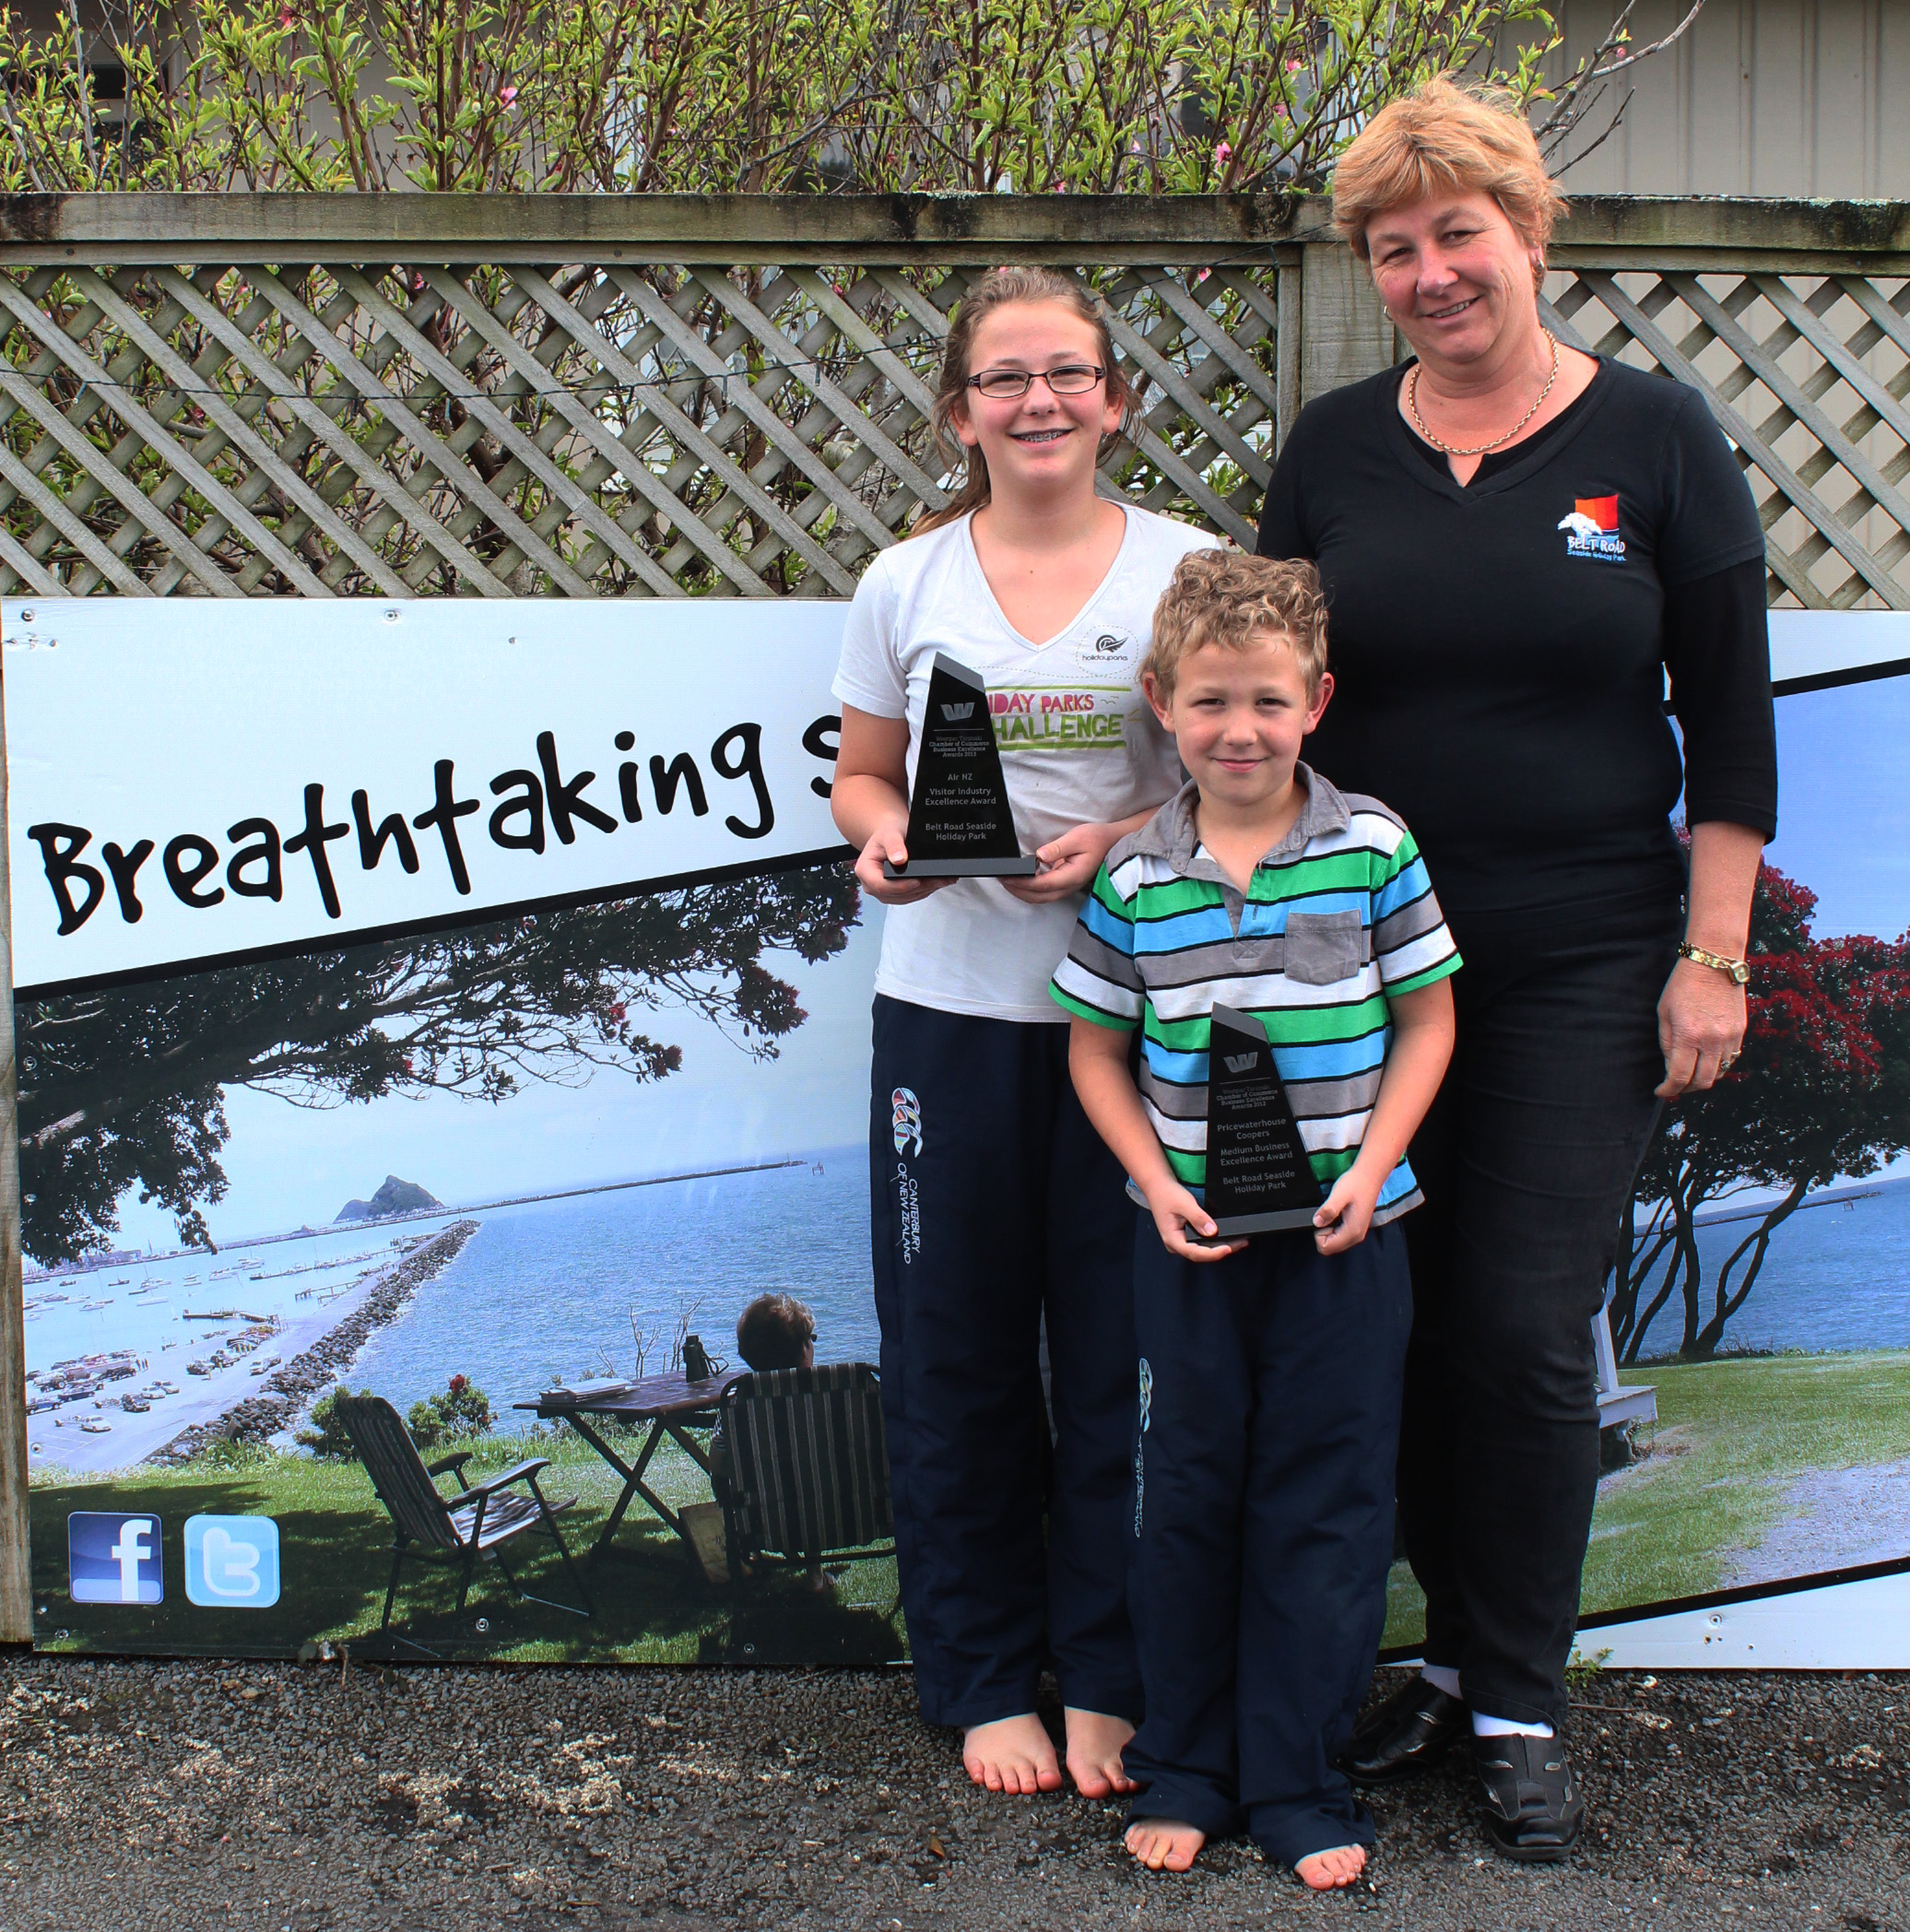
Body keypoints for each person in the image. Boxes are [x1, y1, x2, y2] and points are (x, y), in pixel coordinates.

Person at [1256, 77, 1775, 1859]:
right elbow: (1274, 691)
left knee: (1521, 1323)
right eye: (1394, 249)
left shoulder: (1658, 436)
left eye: (1456, 233)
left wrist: (1713, 953)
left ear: (1531, 235)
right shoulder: (1329, 450)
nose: (1429, 272)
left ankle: (1523, 1700)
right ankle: (1455, 1667)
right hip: (1367, 966)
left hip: (1581, 959)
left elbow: (1733, 724)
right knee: (1389, 1327)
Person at [830, 266, 1224, 1799]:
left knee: (1130, 1358)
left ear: (1116, 399)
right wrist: (882, 845)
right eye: (1006, 378)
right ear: (961, 409)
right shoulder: (905, 583)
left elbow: (1240, 771)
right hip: (949, 1016)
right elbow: (864, 777)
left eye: (1068, 372)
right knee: (956, 1359)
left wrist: (1129, 832)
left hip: (1136, 1020)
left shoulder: (1189, 572)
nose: (1039, 400)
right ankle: (986, 1673)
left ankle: (1112, 1675)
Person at [1054, 550, 1458, 1890]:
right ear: (1164, 701)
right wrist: (1158, 1184)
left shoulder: (1373, 847)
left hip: (1349, 1241)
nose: (1240, 730)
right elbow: (1096, 1051)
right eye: (1212, 701)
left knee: (1327, 1511)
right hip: (1191, 1250)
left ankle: (1298, 1779)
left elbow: (1427, 1020)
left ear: (1317, 702)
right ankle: (1193, 1769)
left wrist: (1373, 1166)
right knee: (1189, 1500)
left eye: (1269, 703)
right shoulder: (1134, 880)